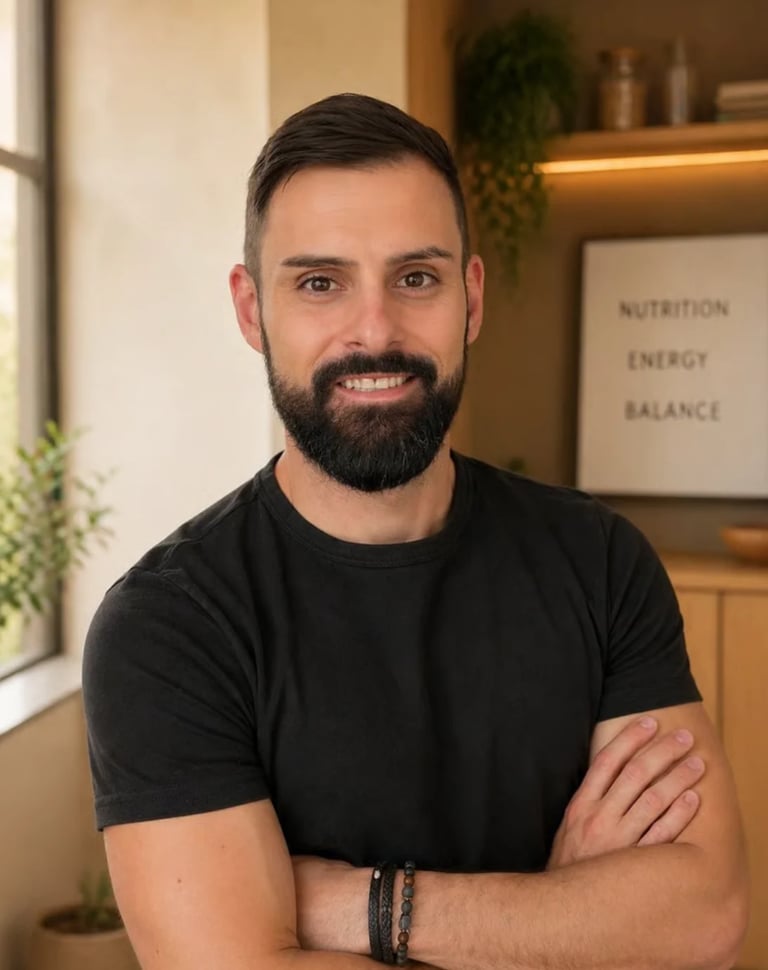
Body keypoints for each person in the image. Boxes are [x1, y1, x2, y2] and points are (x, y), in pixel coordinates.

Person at [82, 93, 748, 970]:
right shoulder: (168, 629)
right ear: (252, 311)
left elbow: (702, 923)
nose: (374, 331)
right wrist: (565, 919)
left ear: (469, 298)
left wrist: (364, 908)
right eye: (320, 282)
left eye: (417, 277)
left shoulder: (599, 562)